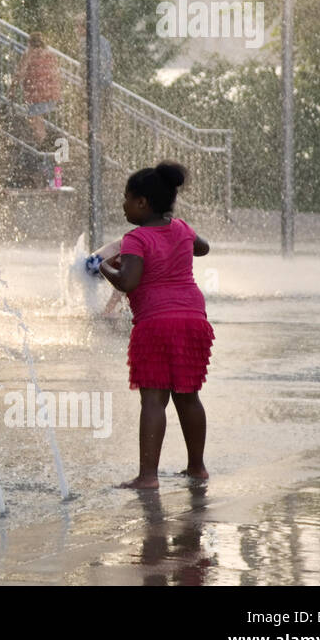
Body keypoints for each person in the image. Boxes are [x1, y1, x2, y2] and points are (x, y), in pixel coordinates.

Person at [97, 163, 214, 489]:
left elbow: (128, 282)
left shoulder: (135, 238)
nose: (123, 205)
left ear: (143, 203)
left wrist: (106, 266)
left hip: (156, 324)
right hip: (193, 320)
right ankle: (197, 468)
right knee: (189, 397)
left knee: (153, 401)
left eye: (127, 198)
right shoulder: (181, 228)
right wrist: (180, 243)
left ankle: (148, 476)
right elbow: (203, 247)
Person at [13, 31, 62, 143]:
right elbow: (56, 73)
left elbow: (20, 73)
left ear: (30, 43)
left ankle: (42, 144)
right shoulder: (50, 54)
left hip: (37, 93)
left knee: (36, 121)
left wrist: (12, 88)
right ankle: (50, 144)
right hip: (51, 93)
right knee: (44, 119)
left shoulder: (29, 54)